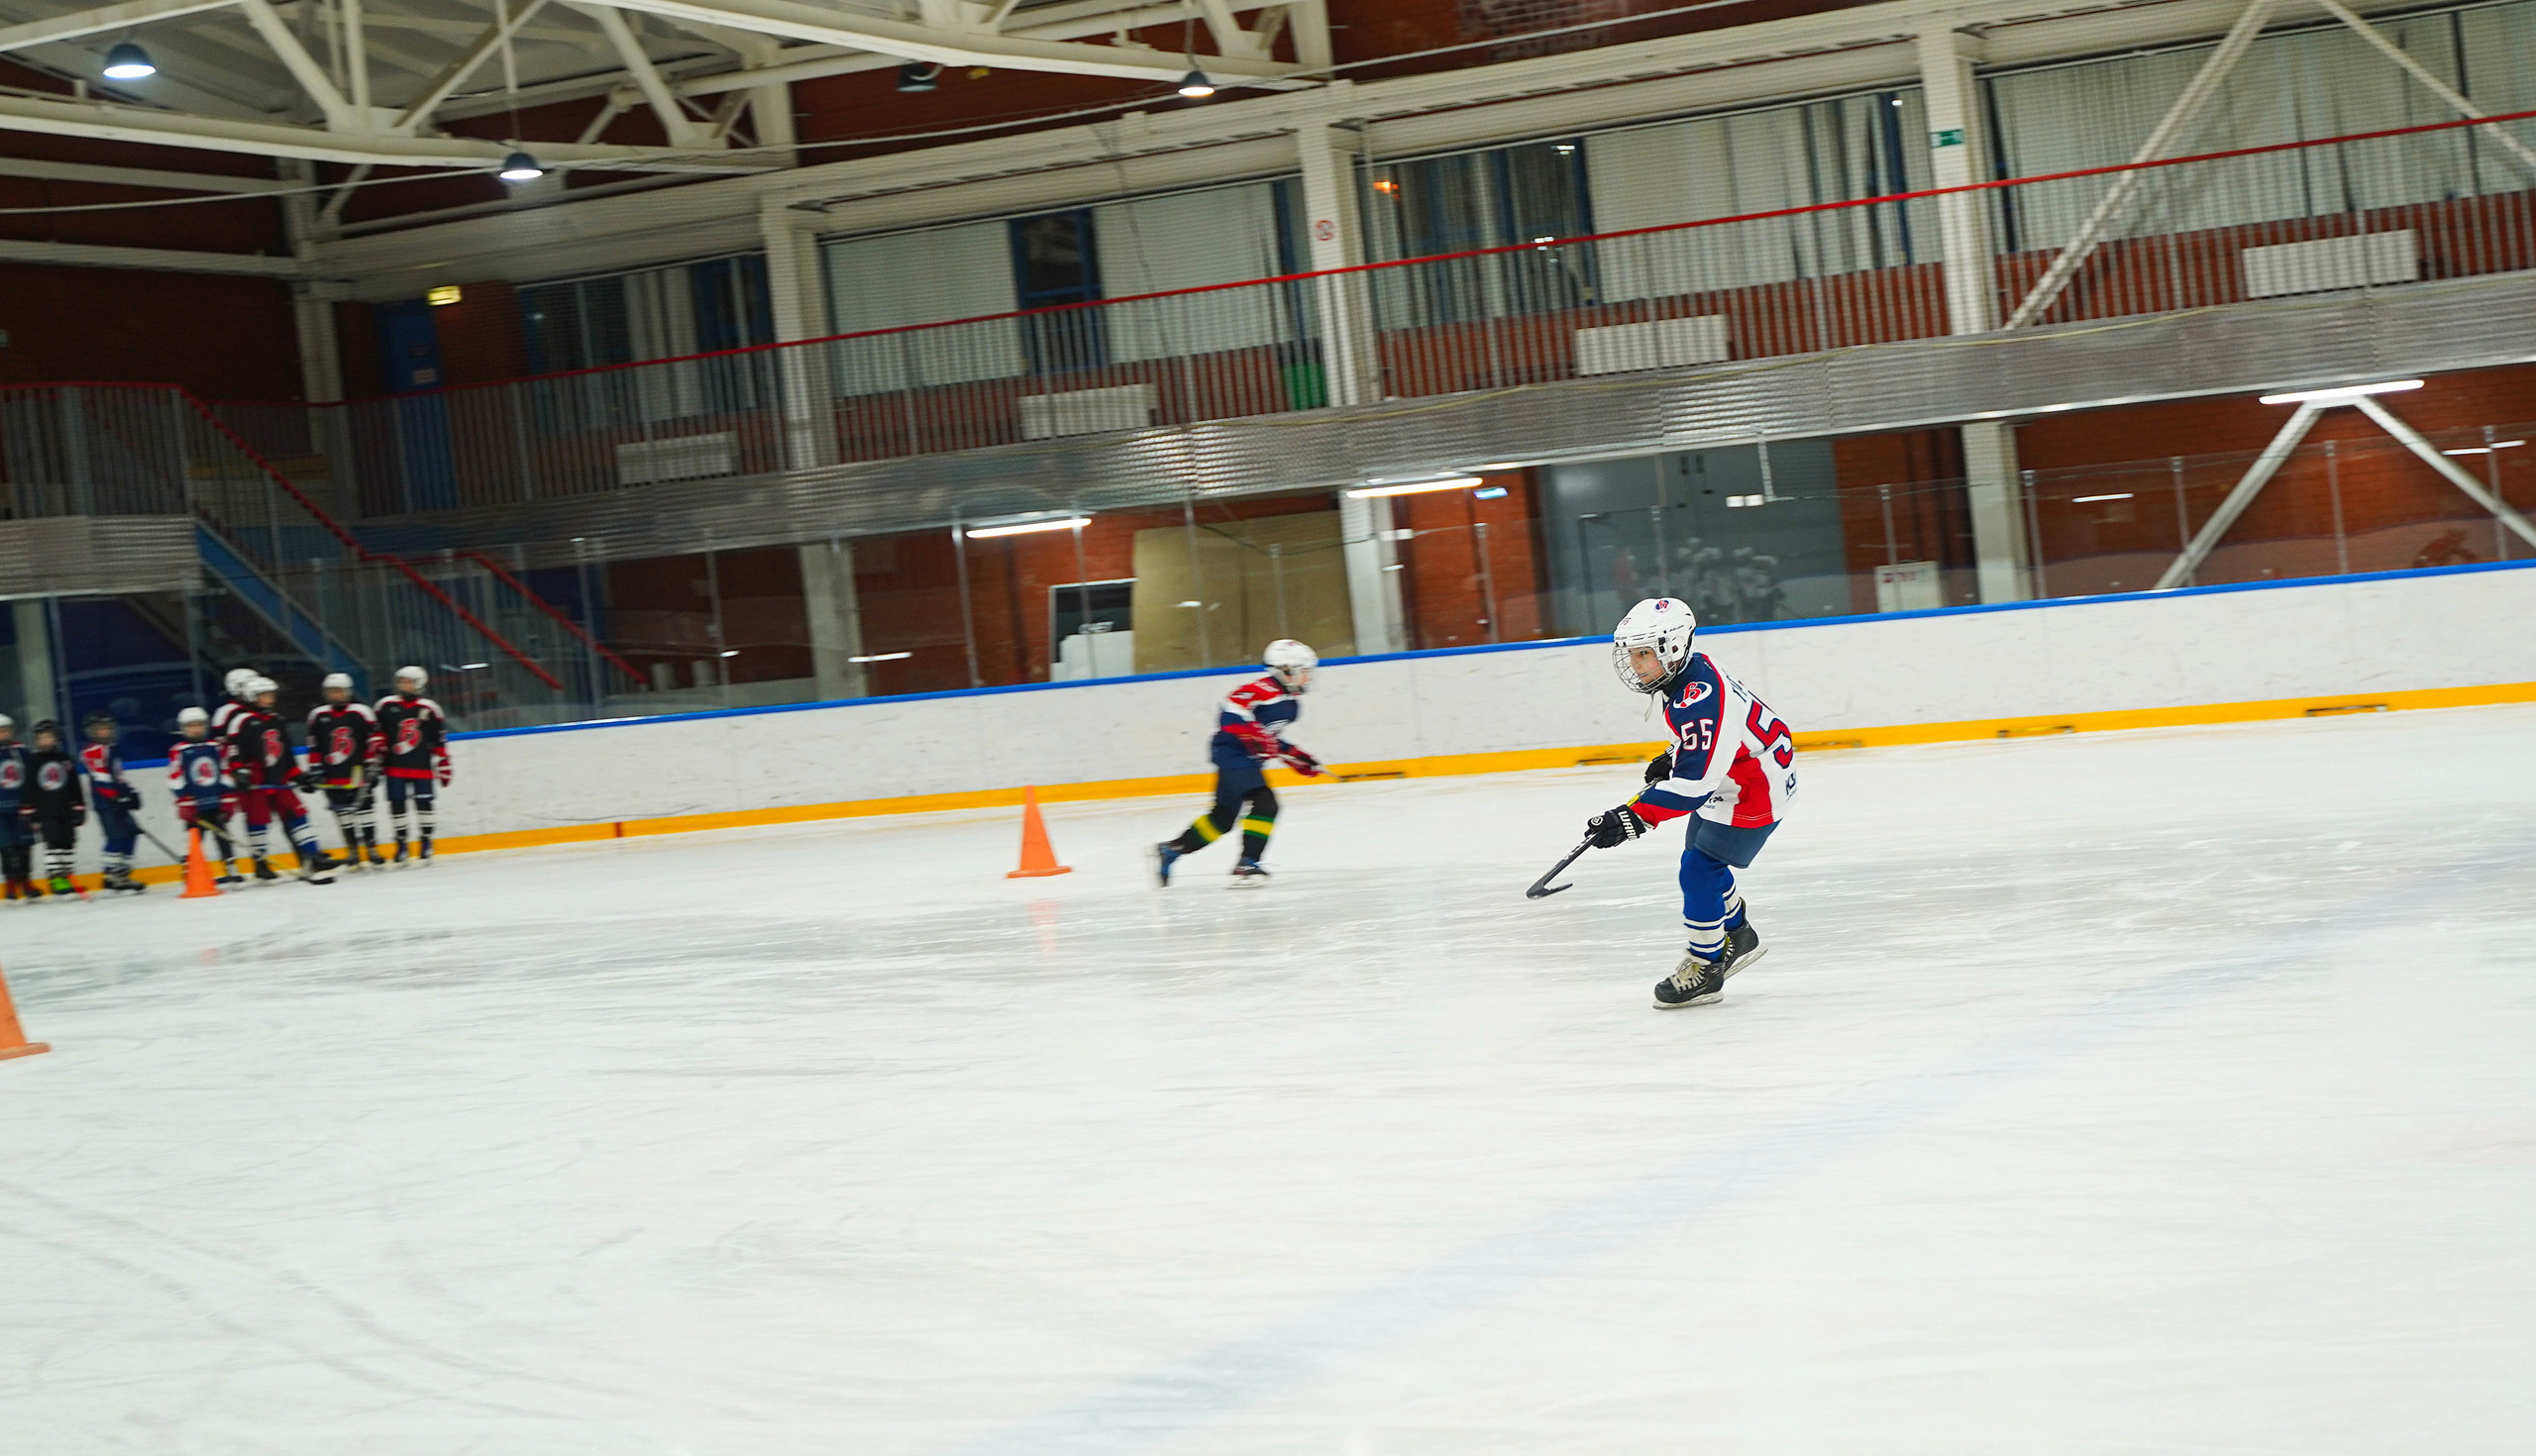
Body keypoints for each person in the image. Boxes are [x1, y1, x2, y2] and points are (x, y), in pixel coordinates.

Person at [1581, 597, 1797, 1008]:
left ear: (1674, 648)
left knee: (1698, 868)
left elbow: (1694, 786)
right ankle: (1739, 934)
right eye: (1632, 654)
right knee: (1699, 854)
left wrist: (1630, 819)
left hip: (1752, 790)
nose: (1635, 663)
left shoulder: (1698, 699)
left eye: (1644, 653)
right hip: (1739, 775)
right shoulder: (1690, 674)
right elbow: (1714, 736)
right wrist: (1676, 753)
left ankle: (1706, 965)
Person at [1153, 639, 1324, 885]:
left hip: (1248, 761)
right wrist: (1254, 733)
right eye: (1304, 672)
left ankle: (1172, 850)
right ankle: (1248, 863)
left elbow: (1270, 739)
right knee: (1266, 804)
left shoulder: (1291, 706)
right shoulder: (1262, 689)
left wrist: (1297, 756)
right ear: (1285, 670)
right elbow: (1231, 710)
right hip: (1232, 754)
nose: (1308, 678)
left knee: (1221, 819)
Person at [226, 676, 339, 884]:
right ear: (252, 697)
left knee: (297, 814)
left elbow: (287, 755)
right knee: (258, 821)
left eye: (271, 695)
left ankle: (313, 857)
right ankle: (260, 864)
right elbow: (233, 750)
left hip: (279, 778)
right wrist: (239, 771)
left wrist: (299, 775)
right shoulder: (241, 721)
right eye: (264, 695)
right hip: (256, 780)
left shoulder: (277, 720)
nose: (269, 699)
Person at [306, 673, 384, 867]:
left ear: (347, 692)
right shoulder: (317, 716)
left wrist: (372, 765)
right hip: (332, 773)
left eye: (339, 691)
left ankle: (371, 848)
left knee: (366, 811)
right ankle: (352, 850)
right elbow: (314, 746)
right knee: (343, 813)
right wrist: (315, 768)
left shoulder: (361, 712)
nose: (335, 695)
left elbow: (374, 742)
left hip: (357, 770)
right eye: (332, 691)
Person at [374, 667, 450, 864]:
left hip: (421, 766)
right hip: (394, 766)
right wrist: (378, 748)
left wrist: (443, 762)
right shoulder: (385, 705)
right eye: (401, 681)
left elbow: (438, 739)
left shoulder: (430, 708)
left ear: (419, 684)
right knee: (397, 804)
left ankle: (426, 840)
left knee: (424, 803)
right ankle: (401, 843)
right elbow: (377, 732)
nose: (403, 685)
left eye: (408, 681)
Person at [169, 706, 246, 884]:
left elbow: (225, 772)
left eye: (199, 725)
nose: (195, 729)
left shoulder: (216, 747)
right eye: (190, 726)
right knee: (193, 838)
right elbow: (175, 776)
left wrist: (228, 799)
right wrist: (184, 801)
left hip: (216, 802)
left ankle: (230, 867)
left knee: (223, 835)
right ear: (182, 728)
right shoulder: (179, 750)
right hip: (194, 804)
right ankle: (190, 871)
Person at [78, 710, 146, 893]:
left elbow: (118, 777)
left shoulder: (111, 749)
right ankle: (110, 876)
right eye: (100, 729)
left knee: (131, 832)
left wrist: (130, 792)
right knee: (115, 837)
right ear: (92, 731)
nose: (105, 732)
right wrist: (118, 797)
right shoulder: (93, 751)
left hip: (117, 800)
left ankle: (123, 874)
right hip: (106, 804)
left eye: (108, 728)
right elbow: (101, 779)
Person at [23, 720, 85, 897]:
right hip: (45, 811)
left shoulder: (65, 759)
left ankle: (67, 875)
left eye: (48, 737)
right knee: (54, 842)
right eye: (41, 738)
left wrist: (79, 807)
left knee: (68, 842)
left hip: (65, 809)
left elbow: (75, 785)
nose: (45, 741)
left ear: (56, 738)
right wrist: (28, 811)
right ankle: (55, 878)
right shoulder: (33, 762)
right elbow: (29, 788)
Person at [0, 715, 32, 899]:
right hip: (1, 811)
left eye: (6, 730)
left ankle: (25, 881)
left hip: (22, 808)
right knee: (6, 848)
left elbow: (31, 777)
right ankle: (10, 884)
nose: (3, 734)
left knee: (24, 846)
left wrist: (31, 803)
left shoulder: (21, 751)